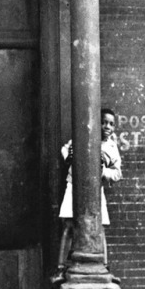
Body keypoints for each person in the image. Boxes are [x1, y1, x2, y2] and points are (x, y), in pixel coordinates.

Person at [57, 108, 122, 273]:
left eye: (111, 124)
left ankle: (105, 267)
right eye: (104, 122)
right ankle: (60, 267)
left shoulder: (112, 148)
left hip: (95, 190)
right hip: (74, 185)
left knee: (99, 229)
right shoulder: (82, 137)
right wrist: (69, 157)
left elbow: (117, 173)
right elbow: (65, 149)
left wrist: (102, 171)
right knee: (69, 226)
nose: (107, 127)